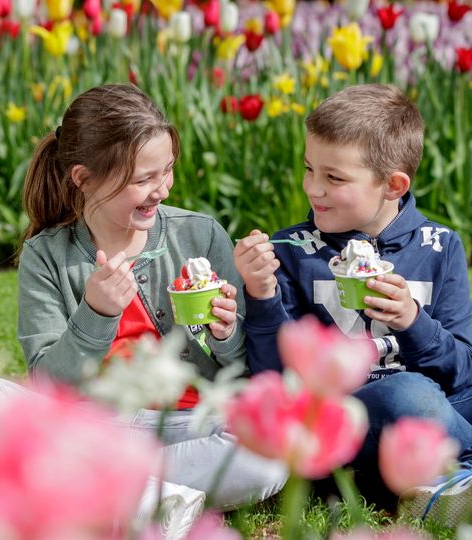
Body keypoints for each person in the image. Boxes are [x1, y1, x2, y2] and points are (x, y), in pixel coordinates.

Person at [233, 84, 472, 523]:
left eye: (334, 177)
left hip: (439, 414)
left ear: (393, 185)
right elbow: (276, 379)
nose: (314, 187)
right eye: (310, 168)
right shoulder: (291, 250)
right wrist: (262, 295)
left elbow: (463, 372)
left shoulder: (440, 245)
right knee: (404, 391)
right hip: (346, 426)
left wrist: (413, 321)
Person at [15, 83, 286, 511]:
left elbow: (245, 370)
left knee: (269, 453)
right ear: (83, 179)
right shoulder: (47, 256)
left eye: (167, 170)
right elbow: (49, 386)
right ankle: (150, 490)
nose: (162, 189)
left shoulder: (198, 234)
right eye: (143, 179)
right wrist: (96, 314)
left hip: (193, 421)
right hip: (99, 424)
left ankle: (115, 484)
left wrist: (227, 332)